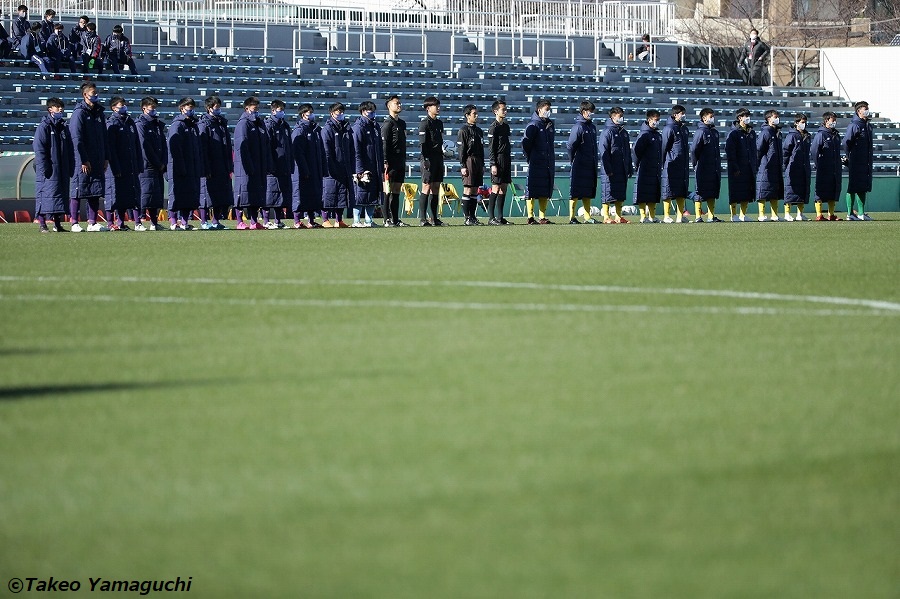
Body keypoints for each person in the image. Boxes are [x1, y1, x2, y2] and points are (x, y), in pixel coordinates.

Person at [69, 81, 108, 232]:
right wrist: (83, 159)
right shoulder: (79, 113)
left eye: (97, 93)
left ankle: (92, 222)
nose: (96, 96)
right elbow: (76, 138)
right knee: (79, 190)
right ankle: (74, 222)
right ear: (85, 95)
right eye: (93, 94)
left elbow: (105, 137)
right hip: (83, 160)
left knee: (95, 191)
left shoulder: (99, 113)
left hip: (98, 159)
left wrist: (106, 158)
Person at [33, 97, 74, 232]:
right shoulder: (44, 126)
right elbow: (39, 148)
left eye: (61, 107)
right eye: (57, 107)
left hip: (61, 168)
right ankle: (42, 224)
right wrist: (44, 166)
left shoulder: (63, 126)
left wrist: (70, 165)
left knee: (60, 195)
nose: (60, 109)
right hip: (49, 169)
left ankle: (57, 224)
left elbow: (70, 148)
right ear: (50, 109)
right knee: (45, 195)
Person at [233, 96, 270, 230]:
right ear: (247, 108)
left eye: (258, 108)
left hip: (259, 166)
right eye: (254, 108)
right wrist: (248, 166)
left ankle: (254, 222)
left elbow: (266, 144)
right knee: (243, 195)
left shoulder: (260, 124)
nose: (256, 111)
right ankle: (240, 222)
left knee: (256, 196)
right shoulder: (243, 124)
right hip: (246, 168)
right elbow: (241, 148)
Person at [104, 96, 141, 230]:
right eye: (121, 106)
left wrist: (138, 164)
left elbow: (136, 144)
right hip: (117, 166)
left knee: (126, 195)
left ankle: (121, 222)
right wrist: (115, 166)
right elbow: (111, 148)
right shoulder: (111, 124)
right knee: (114, 194)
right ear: (114, 108)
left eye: (125, 105)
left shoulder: (130, 122)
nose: (124, 108)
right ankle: (110, 223)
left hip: (130, 165)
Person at [166, 97, 203, 230]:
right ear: (182, 109)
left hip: (192, 167)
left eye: (192, 108)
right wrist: (180, 166)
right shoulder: (177, 125)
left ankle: (185, 222)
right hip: (180, 167)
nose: (191, 111)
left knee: (189, 196)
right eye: (189, 108)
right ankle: (173, 222)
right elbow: (175, 148)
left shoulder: (193, 125)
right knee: (177, 195)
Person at [197, 96, 232, 229]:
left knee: (221, 195)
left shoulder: (222, 123)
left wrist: (229, 164)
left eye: (219, 107)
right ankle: (204, 221)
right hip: (210, 165)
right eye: (216, 107)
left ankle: (216, 221)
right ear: (209, 108)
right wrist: (206, 167)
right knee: (207, 195)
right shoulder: (203, 124)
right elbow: (203, 148)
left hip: (222, 165)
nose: (218, 110)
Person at [134, 96, 167, 230]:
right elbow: (144, 147)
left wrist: (163, 162)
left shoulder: (157, 125)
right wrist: (156, 162)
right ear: (144, 108)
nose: (154, 110)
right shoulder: (140, 124)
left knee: (155, 196)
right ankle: (138, 222)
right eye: (152, 107)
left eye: (155, 107)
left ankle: (154, 222)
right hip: (146, 166)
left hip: (158, 166)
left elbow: (163, 145)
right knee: (144, 194)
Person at [291, 104, 325, 228]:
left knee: (314, 195)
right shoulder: (299, 130)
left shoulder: (316, 130)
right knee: (300, 195)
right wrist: (304, 169)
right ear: (302, 115)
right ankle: (296, 221)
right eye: (308, 113)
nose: (311, 115)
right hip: (303, 170)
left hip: (315, 168)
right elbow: (298, 153)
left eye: (312, 112)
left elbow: (321, 151)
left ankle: (311, 221)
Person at [522, 99, 556, 224]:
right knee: (531, 189)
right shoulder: (533, 125)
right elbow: (525, 144)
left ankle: (542, 217)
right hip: (536, 162)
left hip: (547, 162)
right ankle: (530, 217)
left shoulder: (550, 124)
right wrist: (530, 157)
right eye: (547, 110)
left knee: (544, 189)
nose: (549, 112)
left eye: (549, 110)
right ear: (539, 109)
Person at [351, 100, 384, 227]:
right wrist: (359, 170)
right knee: (360, 194)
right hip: (363, 167)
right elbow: (356, 150)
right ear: (363, 112)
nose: (373, 114)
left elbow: (379, 148)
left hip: (374, 166)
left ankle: (369, 220)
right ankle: (356, 220)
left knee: (373, 194)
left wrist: (380, 165)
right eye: (371, 111)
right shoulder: (358, 128)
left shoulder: (375, 127)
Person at [565, 100, 598, 224]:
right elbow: (570, 146)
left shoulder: (592, 127)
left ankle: (587, 217)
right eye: (590, 112)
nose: (592, 114)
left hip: (590, 164)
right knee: (575, 191)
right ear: (584, 112)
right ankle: (572, 217)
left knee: (587, 191)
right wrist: (572, 159)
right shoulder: (578, 127)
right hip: (579, 164)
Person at [320, 101, 353, 228]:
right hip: (331, 169)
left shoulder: (346, 128)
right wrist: (330, 167)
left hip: (344, 167)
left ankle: (339, 220)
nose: (340, 113)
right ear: (331, 113)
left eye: (341, 111)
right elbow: (326, 150)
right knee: (328, 194)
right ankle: (325, 219)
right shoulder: (327, 129)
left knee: (342, 195)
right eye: (337, 111)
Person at [598, 105, 632, 224]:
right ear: (613, 117)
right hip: (611, 168)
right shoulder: (607, 132)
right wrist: (607, 168)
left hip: (622, 168)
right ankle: (606, 217)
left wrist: (629, 166)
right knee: (608, 192)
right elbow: (604, 151)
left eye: (622, 116)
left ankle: (618, 216)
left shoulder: (624, 133)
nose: (622, 118)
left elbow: (628, 151)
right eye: (620, 116)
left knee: (620, 193)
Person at [262, 99, 292, 229]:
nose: (282, 113)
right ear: (273, 111)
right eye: (280, 110)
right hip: (272, 166)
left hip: (283, 165)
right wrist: (270, 164)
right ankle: (266, 220)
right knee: (270, 194)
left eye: (283, 110)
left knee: (281, 195)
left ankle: (278, 221)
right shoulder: (269, 125)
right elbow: (267, 147)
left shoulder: (285, 125)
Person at [725, 108, 757, 221]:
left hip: (749, 167)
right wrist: (735, 166)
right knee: (735, 191)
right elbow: (730, 152)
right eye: (746, 116)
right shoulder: (734, 133)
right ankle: (733, 215)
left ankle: (743, 214)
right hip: (737, 167)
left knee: (747, 191)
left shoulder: (751, 132)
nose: (748, 118)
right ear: (740, 118)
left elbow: (754, 151)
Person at [690, 107, 722, 223]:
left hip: (713, 167)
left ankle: (711, 216)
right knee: (700, 192)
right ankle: (698, 216)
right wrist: (696, 164)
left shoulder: (714, 132)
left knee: (712, 191)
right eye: (710, 116)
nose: (713, 118)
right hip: (703, 167)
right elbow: (694, 150)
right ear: (704, 118)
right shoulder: (700, 132)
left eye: (713, 116)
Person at [844, 100, 874, 221]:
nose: (867, 110)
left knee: (862, 186)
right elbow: (846, 142)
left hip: (865, 161)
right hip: (855, 161)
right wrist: (849, 156)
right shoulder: (855, 125)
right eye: (865, 109)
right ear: (858, 111)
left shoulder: (867, 125)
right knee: (853, 186)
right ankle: (849, 213)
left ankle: (861, 213)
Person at [381, 95, 408, 226]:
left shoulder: (402, 123)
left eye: (400, 103)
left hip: (400, 161)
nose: (399, 105)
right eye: (396, 103)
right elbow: (384, 144)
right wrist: (385, 160)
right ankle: (387, 219)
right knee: (388, 190)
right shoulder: (387, 124)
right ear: (389, 106)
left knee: (397, 191)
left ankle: (396, 219)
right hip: (390, 162)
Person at [810, 111, 843, 221]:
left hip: (835, 168)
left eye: (835, 120)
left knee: (833, 190)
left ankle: (831, 214)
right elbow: (814, 150)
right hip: (824, 168)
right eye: (833, 120)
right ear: (826, 121)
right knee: (820, 190)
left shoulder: (836, 135)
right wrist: (818, 163)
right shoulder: (821, 134)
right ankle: (819, 214)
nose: (835, 122)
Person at [660, 104, 690, 223]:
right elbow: (664, 147)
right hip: (671, 164)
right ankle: (666, 215)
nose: (684, 116)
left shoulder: (684, 129)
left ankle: (679, 216)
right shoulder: (669, 129)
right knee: (668, 190)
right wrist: (663, 163)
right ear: (675, 115)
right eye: (682, 113)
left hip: (682, 165)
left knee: (681, 191)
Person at [633, 108, 663, 223]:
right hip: (645, 168)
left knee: (653, 193)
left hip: (655, 169)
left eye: (659, 120)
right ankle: (643, 216)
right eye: (656, 120)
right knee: (643, 193)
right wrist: (638, 165)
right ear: (649, 120)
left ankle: (652, 216)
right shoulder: (644, 135)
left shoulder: (658, 135)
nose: (657, 122)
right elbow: (636, 151)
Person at [418, 96, 444, 226]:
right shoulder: (424, 124)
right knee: (426, 186)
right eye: (435, 106)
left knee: (436, 187)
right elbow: (423, 144)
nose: (438, 108)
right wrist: (426, 159)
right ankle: (423, 219)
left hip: (438, 158)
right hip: (428, 159)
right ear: (428, 108)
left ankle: (434, 218)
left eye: (438, 105)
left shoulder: (439, 123)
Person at [457, 104, 485, 226]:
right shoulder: (463, 130)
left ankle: (473, 217)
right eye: (474, 114)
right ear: (467, 116)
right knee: (468, 188)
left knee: (475, 190)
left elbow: (482, 149)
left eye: (476, 113)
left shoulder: (479, 131)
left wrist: (483, 164)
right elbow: (461, 149)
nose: (476, 116)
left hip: (478, 161)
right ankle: (467, 217)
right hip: (469, 160)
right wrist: (463, 165)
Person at [782, 113, 812, 221]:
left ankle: (800, 214)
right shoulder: (792, 136)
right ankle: (787, 213)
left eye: (805, 122)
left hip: (803, 167)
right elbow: (786, 152)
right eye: (802, 122)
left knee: (802, 191)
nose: (804, 124)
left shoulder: (807, 136)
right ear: (796, 123)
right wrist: (786, 166)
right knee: (790, 190)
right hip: (793, 167)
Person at [487, 99, 512, 224]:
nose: (505, 111)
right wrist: (493, 164)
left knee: (504, 188)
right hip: (498, 159)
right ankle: (491, 218)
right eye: (503, 109)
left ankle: (500, 217)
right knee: (495, 188)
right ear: (495, 111)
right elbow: (491, 148)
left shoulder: (506, 126)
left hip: (506, 159)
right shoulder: (493, 128)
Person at [755, 109, 783, 221]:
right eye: (775, 117)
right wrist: (760, 163)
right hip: (766, 166)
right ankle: (761, 215)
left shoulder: (777, 133)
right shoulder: (765, 132)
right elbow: (759, 149)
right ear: (768, 119)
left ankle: (774, 215)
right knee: (763, 189)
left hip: (776, 166)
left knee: (774, 191)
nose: (777, 119)